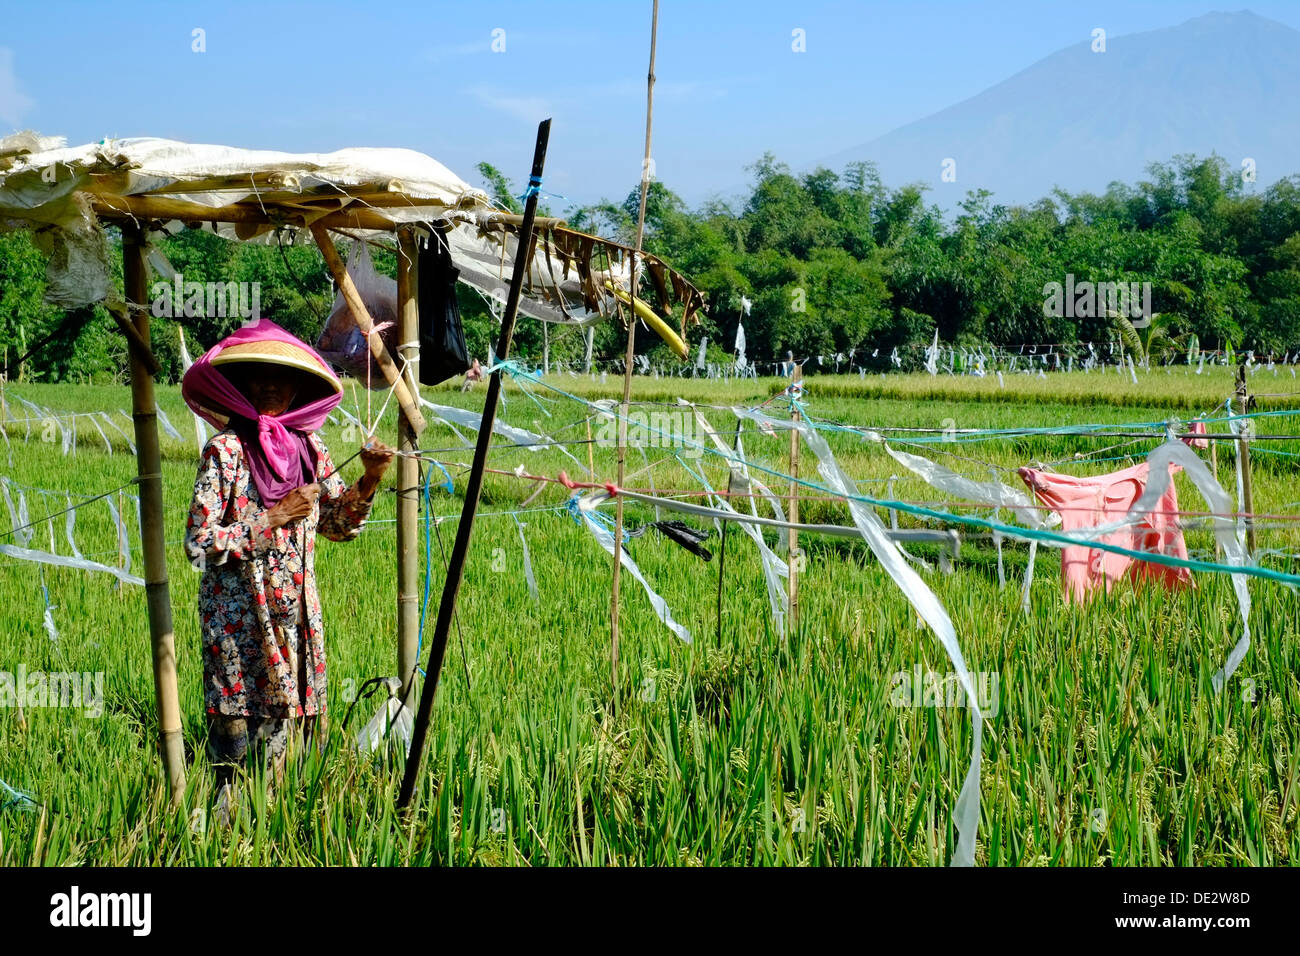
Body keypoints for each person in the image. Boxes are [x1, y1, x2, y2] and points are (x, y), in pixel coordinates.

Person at [181, 320, 394, 817]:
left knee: (288, 742)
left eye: (282, 379)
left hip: (296, 620)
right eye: (260, 378)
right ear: (243, 387)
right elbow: (198, 543)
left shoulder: (310, 450)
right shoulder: (226, 452)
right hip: (240, 622)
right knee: (236, 732)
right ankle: (221, 830)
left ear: (299, 388)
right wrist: (273, 516)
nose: (271, 387)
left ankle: (277, 825)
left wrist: (369, 479)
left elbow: (339, 525)